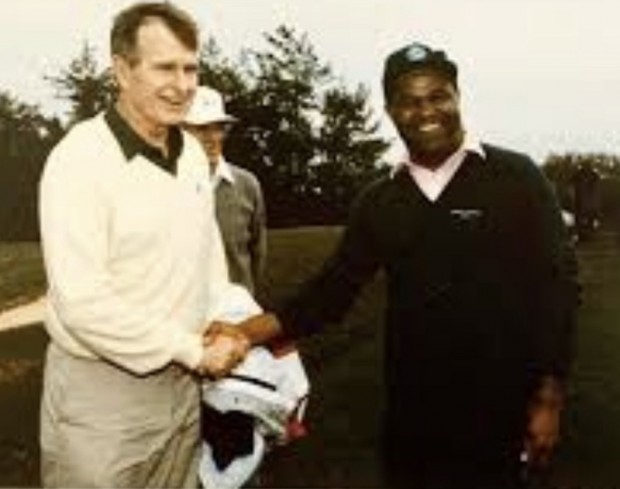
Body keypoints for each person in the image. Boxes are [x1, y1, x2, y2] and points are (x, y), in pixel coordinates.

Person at [240, 42, 580, 488]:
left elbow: (558, 289)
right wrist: (244, 333)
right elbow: (331, 292)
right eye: (410, 101)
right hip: (414, 418)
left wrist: (549, 399)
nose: (426, 112)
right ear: (390, 110)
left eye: (438, 96)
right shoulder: (380, 199)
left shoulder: (517, 177)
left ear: (457, 97)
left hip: (504, 412)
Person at [38, 3, 271, 487]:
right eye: (165, 68)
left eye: (191, 69)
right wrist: (190, 350)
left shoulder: (190, 154)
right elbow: (82, 302)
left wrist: (235, 329)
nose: (182, 85)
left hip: (183, 387)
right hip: (101, 398)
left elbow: (208, 265)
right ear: (122, 71)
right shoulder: (79, 160)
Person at [182, 86, 267, 295]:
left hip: (237, 311)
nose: (213, 138)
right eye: (202, 128)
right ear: (180, 132)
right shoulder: (162, 186)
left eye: (219, 128)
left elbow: (257, 256)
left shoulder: (247, 185)